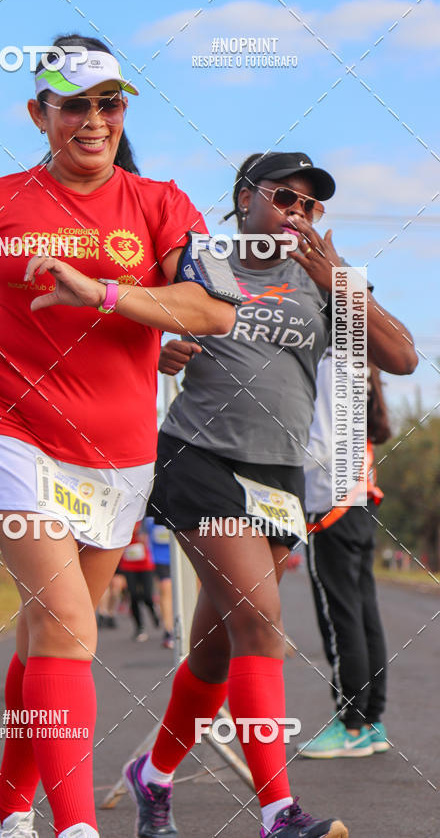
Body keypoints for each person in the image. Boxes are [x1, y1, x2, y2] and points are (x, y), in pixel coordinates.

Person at [0, 34, 235, 838]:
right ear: (40, 113)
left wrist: (105, 293)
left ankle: (4, 802)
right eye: (74, 105)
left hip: (120, 451)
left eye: (108, 103)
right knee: (67, 623)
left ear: (122, 110)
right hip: (10, 427)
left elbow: (214, 310)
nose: (94, 120)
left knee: (46, 631)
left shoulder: (163, 202)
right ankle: (74, 828)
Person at [124, 151, 418, 838]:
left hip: (278, 477)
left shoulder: (321, 282)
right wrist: (154, 348)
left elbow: (402, 357)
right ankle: (280, 812)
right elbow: (128, 318)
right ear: (243, 198)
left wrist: (339, 280)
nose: (298, 213)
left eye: (312, 206)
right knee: (261, 621)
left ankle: (155, 774)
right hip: (200, 458)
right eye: (286, 197)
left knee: (217, 648)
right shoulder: (200, 261)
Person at [298, 357, 392, 759]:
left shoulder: (327, 363)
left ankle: (349, 724)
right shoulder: (359, 363)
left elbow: (317, 444)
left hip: (331, 506)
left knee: (341, 616)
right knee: (363, 612)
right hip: (358, 502)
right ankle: (370, 722)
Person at [119, 520, 159, 642]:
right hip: (129, 564)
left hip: (145, 564)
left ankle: (152, 610)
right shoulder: (122, 521)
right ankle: (139, 627)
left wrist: (145, 537)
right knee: (134, 596)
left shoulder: (144, 521)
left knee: (147, 595)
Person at [146, 516, 174, 648]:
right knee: (166, 588)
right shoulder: (149, 516)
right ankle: (169, 630)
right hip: (160, 559)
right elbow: (143, 536)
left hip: (181, 557)